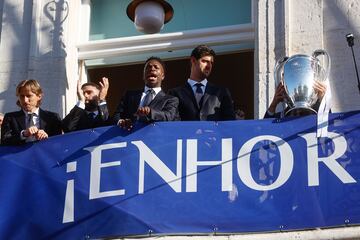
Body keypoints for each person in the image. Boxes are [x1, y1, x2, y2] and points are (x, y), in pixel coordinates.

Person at [168, 45, 235, 121]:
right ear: (193, 60)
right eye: (205, 61)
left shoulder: (221, 92)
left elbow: (230, 121)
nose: (209, 66)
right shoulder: (174, 93)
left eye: (211, 63)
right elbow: (173, 121)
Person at [113, 56, 179, 130]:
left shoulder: (171, 99)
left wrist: (150, 112)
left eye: (156, 67)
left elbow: (168, 116)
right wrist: (121, 121)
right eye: (148, 67)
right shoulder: (129, 95)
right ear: (143, 75)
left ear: (162, 76)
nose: (152, 69)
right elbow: (117, 115)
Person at [1, 79, 62, 145]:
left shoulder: (52, 117)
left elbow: (59, 143)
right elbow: (4, 141)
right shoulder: (10, 117)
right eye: (21, 96)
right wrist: (24, 134)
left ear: (39, 96)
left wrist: (46, 137)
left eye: (28, 96)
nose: (25, 100)